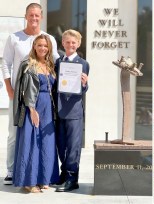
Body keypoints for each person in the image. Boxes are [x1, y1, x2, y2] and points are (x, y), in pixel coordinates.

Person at [0, 3, 59, 185]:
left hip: (42, 96)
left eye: (37, 15)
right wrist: (9, 88)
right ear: (26, 16)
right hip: (19, 94)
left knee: (39, 133)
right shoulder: (14, 38)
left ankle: (39, 172)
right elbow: (5, 63)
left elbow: (57, 63)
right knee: (14, 132)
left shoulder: (48, 38)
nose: (34, 18)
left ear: (41, 17)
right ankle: (11, 170)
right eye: (31, 15)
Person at [12, 34, 59, 193]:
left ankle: (44, 178)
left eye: (45, 46)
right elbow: (25, 90)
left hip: (48, 109)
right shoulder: (28, 65)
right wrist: (32, 109)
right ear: (34, 46)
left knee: (46, 142)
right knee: (31, 142)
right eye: (39, 45)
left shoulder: (51, 65)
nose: (43, 48)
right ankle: (29, 182)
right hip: (33, 107)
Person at [54, 29, 89, 192]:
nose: (70, 44)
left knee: (73, 147)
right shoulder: (58, 62)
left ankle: (72, 179)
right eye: (67, 42)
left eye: (73, 42)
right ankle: (64, 174)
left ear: (78, 44)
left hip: (74, 111)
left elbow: (83, 89)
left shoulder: (84, 64)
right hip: (59, 111)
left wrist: (84, 83)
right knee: (61, 145)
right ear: (63, 43)